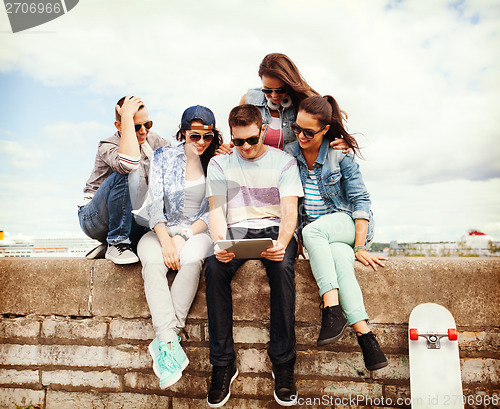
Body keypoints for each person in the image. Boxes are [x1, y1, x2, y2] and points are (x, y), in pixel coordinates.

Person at [204, 104, 304, 407]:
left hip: (275, 229)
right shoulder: (220, 164)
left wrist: (283, 243)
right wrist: (220, 243)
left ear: (262, 130)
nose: (245, 147)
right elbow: (216, 210)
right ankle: (223, 364)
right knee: (213, 267)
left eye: (251, 139)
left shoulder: (284, 162)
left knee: (283, 269)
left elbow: (290, 213)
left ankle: (283, 364)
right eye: (238, 141)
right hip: (236, 229)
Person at [285, 95, 388, 372]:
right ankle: (366, 338)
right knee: (342, 265)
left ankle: (331, 309)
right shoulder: (290, 155)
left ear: (325, 129)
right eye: (297, 129)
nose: (301, 136)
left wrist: (360, 245)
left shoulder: (339, 155)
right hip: (324, 238)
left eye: (309, 132)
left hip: (345, 225)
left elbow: (361, 202)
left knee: (313, 231)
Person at [138, 106, 223, 389]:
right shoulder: (164, 156)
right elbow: (154, 204)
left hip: (196, 231)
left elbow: (212, 212)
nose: (201, 142)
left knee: (192, 260)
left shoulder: (217, 162)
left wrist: (183, 237)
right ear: (184, 132)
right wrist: (166, 240)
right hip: (160, 229)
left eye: (207, 136)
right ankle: (169, 341)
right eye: (194, 136)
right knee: (152, 263)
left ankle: (164, 343)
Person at [78, 96, 170, 264]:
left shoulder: (154, 141)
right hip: (94, 218)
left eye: (147, 124)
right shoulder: (107, 145)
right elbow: (128, 164)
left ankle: (119, 245)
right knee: (128, 170)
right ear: (119, 125)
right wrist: (126, 116)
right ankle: (117, 242)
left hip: (128, 217)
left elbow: (182, 158)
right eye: (136, 126)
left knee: (156, 219)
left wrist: (218, 150)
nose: (143, 131)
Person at [238, 52, 348, 151]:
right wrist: (228, 147)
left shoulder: (304, 105)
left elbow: (319, 132)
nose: (274, 95)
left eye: (280, 90)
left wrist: (342, 142)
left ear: (289, 84)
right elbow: (238, 135)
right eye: (267, 90)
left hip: (292, 169)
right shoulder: (248, 101)